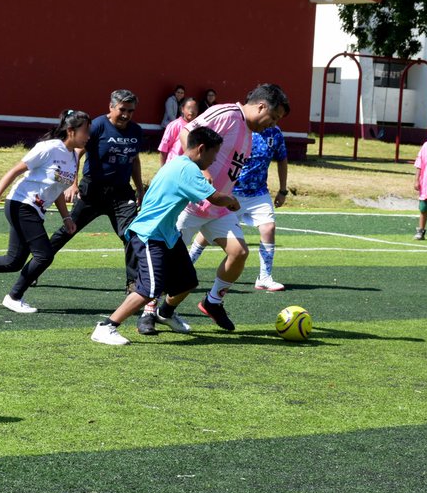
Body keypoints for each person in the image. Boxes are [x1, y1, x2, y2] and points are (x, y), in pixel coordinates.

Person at [91, 126, 240, 345]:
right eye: (214, 154)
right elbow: (216, 199)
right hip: (150, 235)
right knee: (150, 289)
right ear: (201, 149)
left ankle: (166, 314)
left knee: (188, 281)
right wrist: (232, 200)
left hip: (167, 235)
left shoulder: (181, 164)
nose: (214, 160)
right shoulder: (186, 169)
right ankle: (106, 327)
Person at [176, 83, 288, 332]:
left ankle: (213, 302)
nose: (273, 124)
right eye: (274, 117)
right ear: (261, 106)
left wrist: (228, 198)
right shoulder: (227, 113)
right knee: (171, 260)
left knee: (239, 252)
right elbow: (187, 132)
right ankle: (152, 311)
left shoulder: (249, 134)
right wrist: (201, 169)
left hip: (218, 207)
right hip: (189, 202)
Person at [0, 110, 88, 313]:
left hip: (34, 209)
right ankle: (14, 297)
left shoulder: (73, 157)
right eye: (85, 131)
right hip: (21, 204)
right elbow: (14, 171)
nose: (88, 136)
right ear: (71, 131)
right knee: (44, 255)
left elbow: (57, 189)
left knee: (13, 261)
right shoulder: (48, 148)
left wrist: (66, 216)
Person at [32, 90, 144, 292]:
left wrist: (140, 189)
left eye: (131, 111)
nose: (126, 115)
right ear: (111, 107)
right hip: (92, 191)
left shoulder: (136, 131)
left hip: (121, 194)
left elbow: (134, 160)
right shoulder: (98, 126)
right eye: (122, 110)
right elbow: (77, 152)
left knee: (131, 234)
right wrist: (73, 184)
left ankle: (133, 283)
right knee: (67, 230)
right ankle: (34, 269)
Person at [195, 124, 290, 292]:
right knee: (207, 232)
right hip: (232, 190)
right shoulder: (239, 129)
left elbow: (282, 159)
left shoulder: (275, 132)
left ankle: (264, 277)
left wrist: (282, 190)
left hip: (259, 192)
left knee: (269, 228)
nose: (273, 118)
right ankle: (186, 266)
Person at [158, 96, 199, 165]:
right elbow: (163, 149)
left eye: (194, 108)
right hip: (174, 165)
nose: (191, 111)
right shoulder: (174, 125)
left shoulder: (198, 127)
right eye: (189, 108)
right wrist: (163, 168)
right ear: (182, 109)